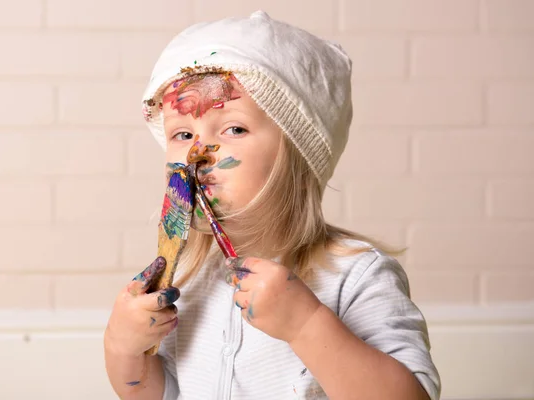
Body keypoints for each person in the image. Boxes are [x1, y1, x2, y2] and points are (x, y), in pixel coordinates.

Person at [104, 10, 441, 400]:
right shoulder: (187, 278)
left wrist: (306, 325)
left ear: (298, 155)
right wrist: (123, 346)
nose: (196, 153)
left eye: (233, 129)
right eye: (182, 133)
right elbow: (156, 394)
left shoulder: (356, 275)